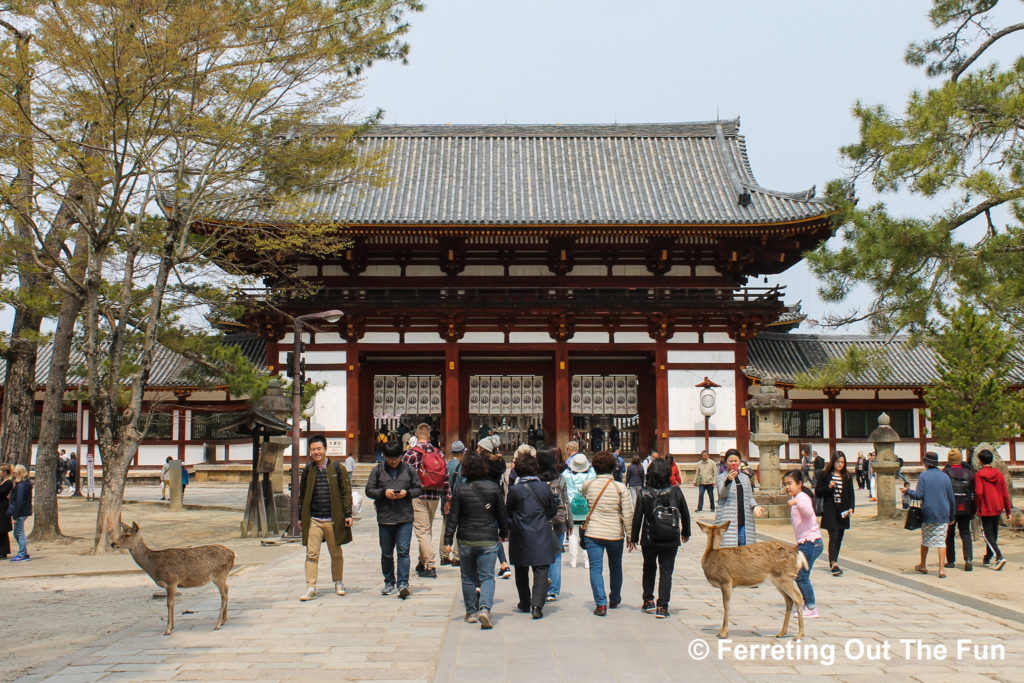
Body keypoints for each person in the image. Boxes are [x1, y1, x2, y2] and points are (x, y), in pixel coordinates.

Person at [443, 452, 508, 629]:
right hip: (488, 538)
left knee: (468, 576)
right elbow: (502, 514)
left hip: (466, 539)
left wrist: (447, 540)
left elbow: (453, 518)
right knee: (487, 576)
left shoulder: (460, 490)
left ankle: (471, 612)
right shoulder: (493, 488)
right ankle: (485, 609)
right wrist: (504, 532)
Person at [628, 458, 689, 618]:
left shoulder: (645, 492)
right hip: (671, 537)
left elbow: (638, 517)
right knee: (666, 571)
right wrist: (686, 532)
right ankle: (663, 606)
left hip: (650, 536)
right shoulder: (676, 491)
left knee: (649, 568)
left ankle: (648, 600)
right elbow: (685, 513)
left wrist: (633, 538)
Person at [298, 434, 354, 601]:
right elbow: (302, 495)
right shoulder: (308, 470)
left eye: (319, 448)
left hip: (332, 518)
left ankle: (338, 581)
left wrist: (348, 514)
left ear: (325, 448)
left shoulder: (337, 468)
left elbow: (346, 492)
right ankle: (311, 586)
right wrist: (301, 517)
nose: (316, 452)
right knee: (311, 554)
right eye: (313, 449)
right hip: (314, 518)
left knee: (336, 552)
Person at [365, 440, 422, 598]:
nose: (394, 461)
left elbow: (418, 488)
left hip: (405, 517)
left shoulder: (409, 470)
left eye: (396, 458)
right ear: (385, 457)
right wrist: (383, 493)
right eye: (390, 458)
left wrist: (407, 493)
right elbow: (369, 490)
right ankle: (389, 581)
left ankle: (403, 582)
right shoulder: (378, 471)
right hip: (385, 517)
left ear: (401, 456)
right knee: (387, 553)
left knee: (403, 551)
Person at [506, 453, 558, 619]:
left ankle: (525, 601)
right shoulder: (544, 487)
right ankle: (537, 605)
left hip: (520, 532)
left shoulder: (514, 490)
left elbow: (508, 513)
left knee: (521, 568)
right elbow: (552, 510)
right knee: (541, 569)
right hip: (541, 531)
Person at [581, 451, 633, 616]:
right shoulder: (620, 488)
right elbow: (628, 514)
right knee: (615, 567)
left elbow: (584, 501)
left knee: (596, 568)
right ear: (613, 467)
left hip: (593, 532)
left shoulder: (588, 485)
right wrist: (631, 536)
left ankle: (600, 603)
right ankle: (615, 598)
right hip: (614, 533)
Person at [403, 423, 452, 579]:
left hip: (418, 496)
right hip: (435, 496)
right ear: (430, 436)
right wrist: (448, 499)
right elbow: (446, 478)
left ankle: (430, 565)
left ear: (416, 436)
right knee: (426, 529)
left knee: (422, 531)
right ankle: (421, 561)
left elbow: (402, 476)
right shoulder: (439, 453)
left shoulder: (411, 454)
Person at [901, 451, 955, 578]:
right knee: (942, 541)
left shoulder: (924, 476)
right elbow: (951, 498)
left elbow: (919, 495)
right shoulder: (945, 477)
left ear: (926, 463)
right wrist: (952, 516)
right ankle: (941, 569)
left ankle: (923, 564)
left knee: (926, 539)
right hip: (943, 512)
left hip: (928, 512)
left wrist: (907, 491)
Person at [783, 469, 822, 619]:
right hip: (805, 543)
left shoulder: (802, 497)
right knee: (799, 575)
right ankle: (808, 604)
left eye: (790, 483)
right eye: (785, 484)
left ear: (799, 483)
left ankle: (811, 607)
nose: (787, 487)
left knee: (802, 576)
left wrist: (797, 502)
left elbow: (808, 512)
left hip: (811, 542)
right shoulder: (798, 497)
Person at [537, 447, 571, 602]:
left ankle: (541, 586)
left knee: (540, 556)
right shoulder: (560, 478)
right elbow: (566, 501)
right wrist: (569, 522)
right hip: (558, 521)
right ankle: (553, 591)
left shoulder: (535, 479)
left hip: (539, 521)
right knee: (556, 555)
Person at [478, 435, 513, 579]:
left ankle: (484, 567)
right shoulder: (500, 463)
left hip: (482, 499)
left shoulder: (480, 464)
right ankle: (503, 563)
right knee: (495, 532)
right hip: (497, 499)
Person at [714, 448, 764, 547]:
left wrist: (755, 506)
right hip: (728, 519)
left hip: (744, 519)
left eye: (736, 461)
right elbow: (722, 494)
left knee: (744, 547)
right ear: (726, 462)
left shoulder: (745, 478)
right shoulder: (721, 478)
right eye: (731, 461)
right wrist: (728, 481)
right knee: (729, 549)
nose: (733, 463)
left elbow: (749, 496)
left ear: (740, 461)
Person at [815, 450, 854, 576]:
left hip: (843, 511)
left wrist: (851, 507)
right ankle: (834, 563)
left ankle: (835, 559)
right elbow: (818, 492)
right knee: (834, 536)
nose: (840, 465)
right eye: (838, 462)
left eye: (842, 462)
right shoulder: (825, 475)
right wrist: (829, 487)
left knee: (840, 537)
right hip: (830, 509)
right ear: (833, 462)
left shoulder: (847, 476)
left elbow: (851, 493)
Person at [974, 449, 1012, 571]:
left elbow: (979, 492)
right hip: (998, 506)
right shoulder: (999, 474)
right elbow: (1005, 493)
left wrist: (977, 506)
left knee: (986, 534)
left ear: (980, 461)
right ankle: (988, 556)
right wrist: (1008, 510)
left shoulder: (979, 475)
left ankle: (999, 556)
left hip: (986, 507)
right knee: (993, 533)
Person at [562, 452, 595, 569]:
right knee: (587, 533)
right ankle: (587, 560)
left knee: (572, 533)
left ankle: (573, 559)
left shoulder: (566, 475)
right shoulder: (591, 475)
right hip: (587, 506)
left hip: (572, 506)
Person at [943, 449, 974, 571]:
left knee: (950, 534)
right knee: (965, 533)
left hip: (951, 507)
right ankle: (968, 558)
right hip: (965, 506)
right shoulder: (969, 473)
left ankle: (951, 560)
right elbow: (973, 491)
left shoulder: (945, 473)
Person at [440, 440, 467, 567]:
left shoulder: (445, 466)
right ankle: (457, 555)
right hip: (459, 502)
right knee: (459, 528)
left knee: (445, 527)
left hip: (446, 502)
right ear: (462, 453)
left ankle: (444, 555)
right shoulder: (462, 468)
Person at [7, 464, 33, 562]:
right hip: (23, 510)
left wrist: (15, 515)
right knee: (17, 533)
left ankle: (22, 553)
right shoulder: (23, 484)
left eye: (14, 473)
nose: (13, 474)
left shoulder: (21, 485)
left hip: (21, 511)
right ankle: (23, 552)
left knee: (19, 532)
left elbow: (20, 500)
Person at [0, 464, 13, 559]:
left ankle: (4, 551)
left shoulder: (8, 482)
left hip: (3, 507)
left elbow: (2, 493)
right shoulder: (1, 482)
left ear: (5, 472)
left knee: (3, 530)